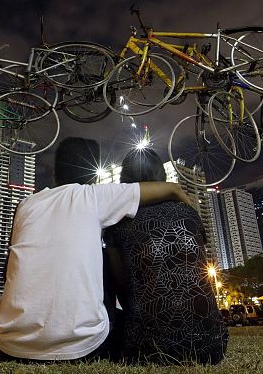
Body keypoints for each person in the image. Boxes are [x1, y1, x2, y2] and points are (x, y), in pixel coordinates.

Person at [0, 137, 194, 362]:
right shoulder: (94, 196)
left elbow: (7, 270)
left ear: (55, 174)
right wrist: (186, 210)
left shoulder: (25, 205)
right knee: (104, 258)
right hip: (84, 347)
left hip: (8, 343)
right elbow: (167, 189)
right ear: (94, 177)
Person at [103, 147, 228, 364]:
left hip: (144, 348)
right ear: (161, 175)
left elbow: (121, 283)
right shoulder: (188, 212)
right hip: (212, 346)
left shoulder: (117, 221)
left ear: (125, 178)